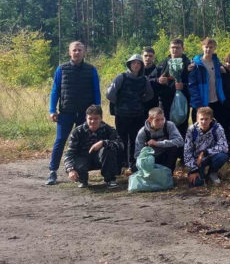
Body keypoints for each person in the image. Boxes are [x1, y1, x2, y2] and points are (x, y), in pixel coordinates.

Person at [46, 41, 101, 185]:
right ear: (70, 52)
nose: (77, 52)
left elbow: (96, 91)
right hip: (66, 112)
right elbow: (55, 91)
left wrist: (97, 113)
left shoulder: (91, 70)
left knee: (83, 143)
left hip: (85, 115)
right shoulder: (61, 69)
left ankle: (81, 174)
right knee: (60, 141)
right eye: (74, 50)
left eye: (79, 50)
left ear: (84, 52)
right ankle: (52, 172)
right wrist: (52, 110)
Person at [106, 54, 155, 170]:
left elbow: (150, 94)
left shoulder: (144, 79)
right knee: (121, 140)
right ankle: (120, 164)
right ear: (129, 64)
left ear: (141, 65)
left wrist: (139, 101)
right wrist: (119, 103)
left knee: (135, 140)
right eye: (134, 63)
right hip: (122, 115)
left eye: (138, 63)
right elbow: (110, 94)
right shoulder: (121, 77)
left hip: (137, 115)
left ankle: (132, 164)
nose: (136, 65)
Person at [63, 105, 123, 189]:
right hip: (83, 159)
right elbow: (69, 153)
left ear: (101, 118)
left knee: (109, 150)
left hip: (102, 159)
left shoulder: (108, 129)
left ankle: (110, 180)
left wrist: (104, 143)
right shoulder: (77, 131)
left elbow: (120, 145)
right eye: (90, 119)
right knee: (78, 162)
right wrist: (70, 170)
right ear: (86, 118)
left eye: (96, 119)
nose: (92, 121)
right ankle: (82, 180)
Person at [151, 38, 191, 136]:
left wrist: (184, 87)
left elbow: (196, 84)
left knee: (181, 130)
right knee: (164, 129)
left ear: (183, 49)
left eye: (177, 48)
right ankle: (166, 150)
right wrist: (159, 80)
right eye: (173, 47)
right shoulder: (163, 64)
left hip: (182, 102)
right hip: (165, 102)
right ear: (169, 49)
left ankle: (180, 150)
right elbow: (150, 80)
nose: (175, 50)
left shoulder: (189, 64)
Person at [184, 106, 229, 186]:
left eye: (206, 119)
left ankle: (212, 172)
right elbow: (187, 151)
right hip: (197, 160)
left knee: (223, 156)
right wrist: (194, 169)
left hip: (211, 156)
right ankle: (202, 174)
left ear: (211, 119)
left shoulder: (217, 128)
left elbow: (224, 147)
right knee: (196, 183)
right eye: (201, 119)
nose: (204, 122)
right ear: (197, 119)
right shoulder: (192, 130)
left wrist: (205, 152)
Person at [188, 38, 226, 126]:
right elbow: (192, 86)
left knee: (216, 130)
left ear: (214, 48)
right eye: (206, 47)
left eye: (211, 47)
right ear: (202, 47)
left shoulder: (216, 62)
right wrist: (198, 104)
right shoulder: (196, 64)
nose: (208, 49)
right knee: (200, 130)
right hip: (202, 103)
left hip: (216, 102)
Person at [133, 107, 183, 172]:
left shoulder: (169, 125)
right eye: (157, 120)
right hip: (151, 159)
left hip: (167, 156)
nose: (161, 122)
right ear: (150, 120)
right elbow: (137, 153)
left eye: (162, 119)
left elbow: (180, 141)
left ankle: (168, 173)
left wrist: (157, 143)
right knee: (134, 168)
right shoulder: (143, 132)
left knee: (174, 147)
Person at [141, 47, 160, 112]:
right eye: (145, 56)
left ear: (154, 57)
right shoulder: (137, 70)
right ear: (142, 56)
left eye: (150, 56)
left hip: (154, 103)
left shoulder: (159, 70)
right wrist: (156, 80)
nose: (148, 58)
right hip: (139, 103)